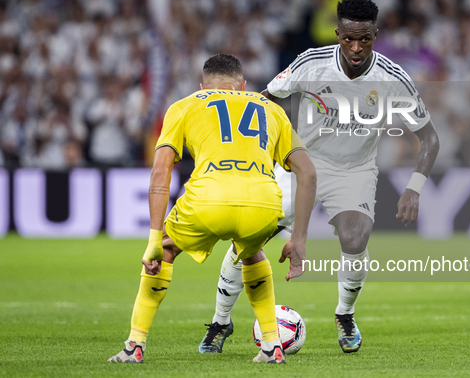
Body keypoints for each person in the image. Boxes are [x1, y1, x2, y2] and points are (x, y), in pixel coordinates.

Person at [199, 0, 440, 355]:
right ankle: (220, 321)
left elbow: (430, 137)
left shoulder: (392, 78)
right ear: (337, 33)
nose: (356, 48)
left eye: (365, 39)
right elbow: (265, 99)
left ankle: (345, 314)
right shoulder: (311, 63)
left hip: (354, 170)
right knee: (247, 239)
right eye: (348, 39)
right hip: (301, 166)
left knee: (356, 238)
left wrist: (414, 188)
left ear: (376, 34)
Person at [108, 54, 317, 364]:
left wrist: (155, 238)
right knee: (251, 253)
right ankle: (272, 347)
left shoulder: (185, 105)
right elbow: (309, 173)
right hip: (261, 203)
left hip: (208, 199)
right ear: (244, 85)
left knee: (165, 251)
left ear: (202, 85)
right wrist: (299, 238)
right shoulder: (272, 109)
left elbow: (161, 171)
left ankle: (134, 345)